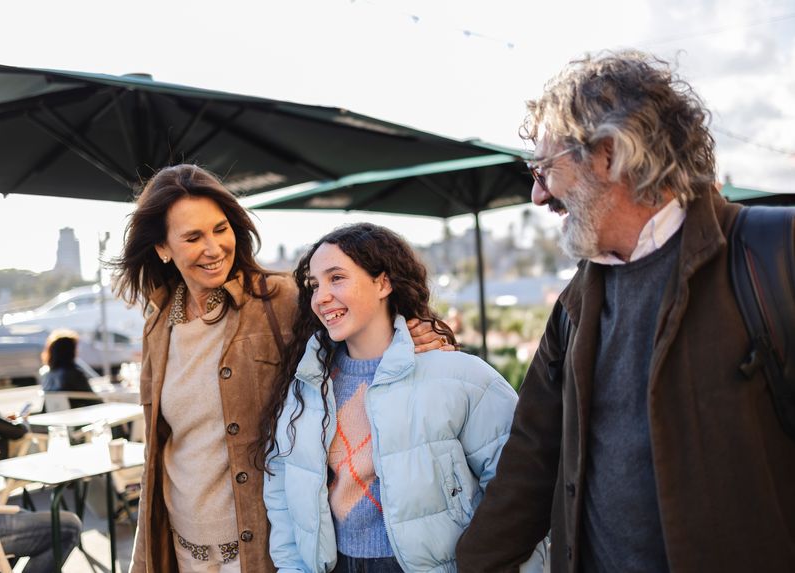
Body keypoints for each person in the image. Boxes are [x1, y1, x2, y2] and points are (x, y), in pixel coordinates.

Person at [456, 50, 795, 572]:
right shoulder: (573, 304)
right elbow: (532, 459)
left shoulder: (772, 254)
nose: (537, 193)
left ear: (608, 154)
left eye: (545, 168)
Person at [112, 165, 449, 573]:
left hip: (263, 548)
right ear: (164, 248)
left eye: (221, 229)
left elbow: (360, 327)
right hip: (182, 548)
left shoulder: (280, 299)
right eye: (193, 237)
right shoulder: (157, 325)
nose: (214, 247)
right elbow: (160, 447)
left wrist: (411, 336)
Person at [260, 223, 519, 572]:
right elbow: (281, 494)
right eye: (314, 285)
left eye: (336, 278)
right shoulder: (305, 389)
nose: (320, 297)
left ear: (383, 283)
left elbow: (514, 487)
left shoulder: (461, 378)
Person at [40, 329, 100, 409]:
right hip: (79, 415)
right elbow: (93, 399)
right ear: (70, 351)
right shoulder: (73, 374)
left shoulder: (47, 373)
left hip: (56, 415)